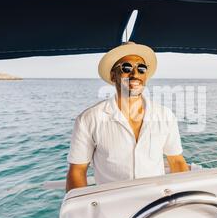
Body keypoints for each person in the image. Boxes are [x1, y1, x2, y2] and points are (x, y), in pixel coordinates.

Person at [66, 42, 189, 192]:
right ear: (113, 76)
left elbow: (177, 162)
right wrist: (81, 211)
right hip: (111, 208)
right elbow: (77, 171)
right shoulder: (88, 119)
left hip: (156, 204)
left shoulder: (165, 115)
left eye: (141, 69)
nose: (135, 74)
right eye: (126, 68)